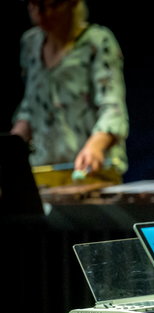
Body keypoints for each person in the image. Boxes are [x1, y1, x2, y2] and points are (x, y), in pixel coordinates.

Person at [10, 0, 129, 187]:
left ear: (72, 4)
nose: (40, 14)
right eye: (33, 5)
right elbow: (31, 105)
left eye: (50, 5)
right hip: (44, 171)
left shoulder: (97, 41)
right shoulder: (30, 43)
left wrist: (95, 147)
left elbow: (112, 107)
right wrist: (11, 148)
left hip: (91, 171)